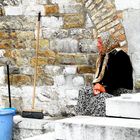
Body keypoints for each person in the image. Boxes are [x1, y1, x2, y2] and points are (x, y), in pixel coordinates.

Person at [75, 32, 133, 116]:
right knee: (84, 91)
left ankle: (89, 119)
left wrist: (103, 89)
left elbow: (117, 81)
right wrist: (97, 87)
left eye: (100, 43)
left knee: (100, 99)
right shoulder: (104, 56)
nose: (98, 45)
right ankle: (80, 116)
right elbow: (99, 78)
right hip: (108, 90)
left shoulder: (120, 56)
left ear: (107, 42)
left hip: (120, 92)